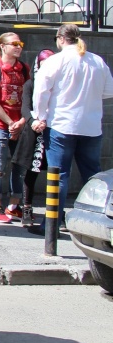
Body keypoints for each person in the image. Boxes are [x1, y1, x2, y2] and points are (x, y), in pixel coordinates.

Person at [31, 23, 113, 209]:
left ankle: (52, 224)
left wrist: (40, 116)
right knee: (92, 176)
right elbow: (109, 90)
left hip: (61, 125)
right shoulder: (97, 61)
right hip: (91, 127)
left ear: (61, 39)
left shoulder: (55, 61)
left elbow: (41, 92)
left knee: (58, 176)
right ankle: (94, 217)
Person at [0, 32, 29, 222]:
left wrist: (21, 122)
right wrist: (10, 123)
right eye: (14, 43)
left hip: (19, 124)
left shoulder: (24, 69)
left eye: (20, 43)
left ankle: (14, 206)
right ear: (2, 46)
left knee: (20, 166)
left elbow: (29, 99)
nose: (19, 47)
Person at [12, 50, 53, 234]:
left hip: (52, 129)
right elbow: (25, 107)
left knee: (56, 171)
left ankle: (55, 213)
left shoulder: (59, 83)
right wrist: (34, 121)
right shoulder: (31, 83)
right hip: (34, 130)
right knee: (32, 170)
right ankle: (27, 207)